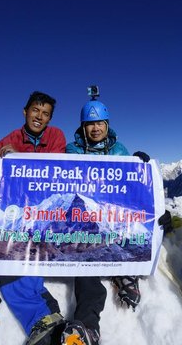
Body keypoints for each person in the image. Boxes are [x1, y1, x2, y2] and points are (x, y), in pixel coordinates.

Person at [0, 91, 67, 345]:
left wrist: (22, 157)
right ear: (25, 111)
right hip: (15, 213)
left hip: (47, 212)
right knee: (4, 256)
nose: (39, 117)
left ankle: (44, 312)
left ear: (50, 118)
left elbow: (56, 171)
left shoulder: (56, 136)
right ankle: (42, 317)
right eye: (35, 111)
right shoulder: (4, 144)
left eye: (45, 113)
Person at [61, 88, 150, 345]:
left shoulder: (120, 150)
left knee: (130, 232)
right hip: (83, 219)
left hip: (112, 216)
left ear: (107, 124)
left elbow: (130, 191)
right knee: (85, 259)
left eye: (99, 122)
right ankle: (88, 326)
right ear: (83, 127)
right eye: (90, 124)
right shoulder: (72, 151)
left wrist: (139, 167)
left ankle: (125, 273)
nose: (95, 128)